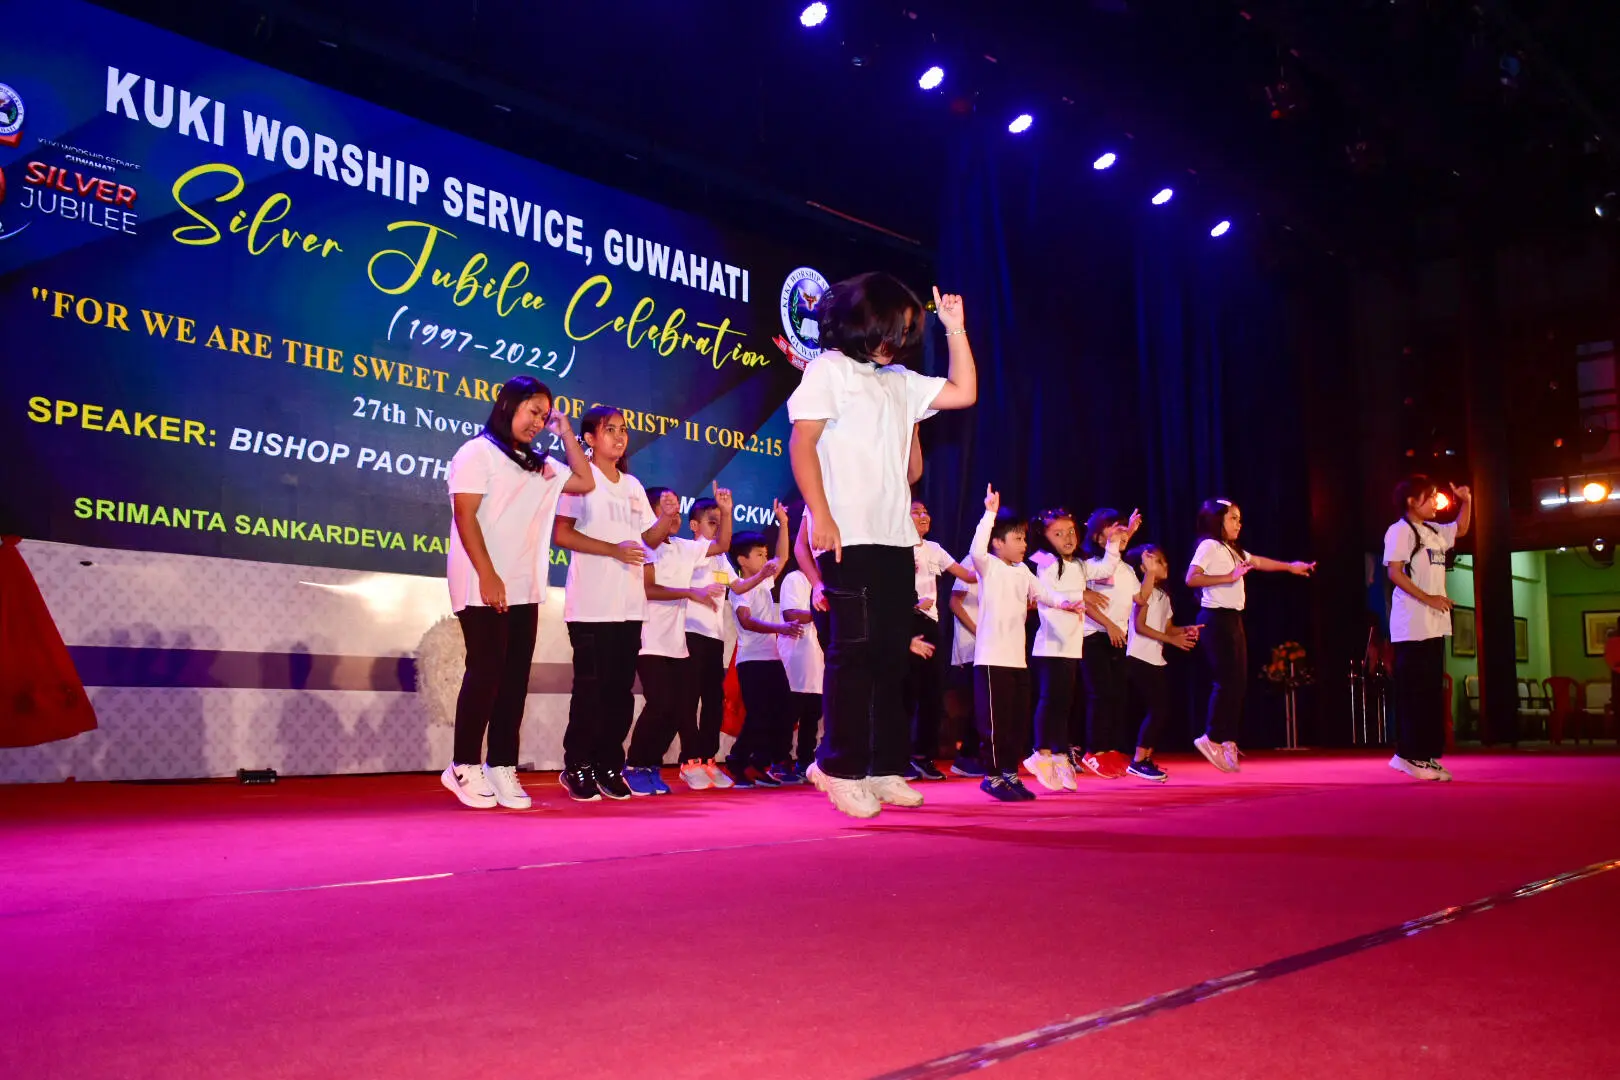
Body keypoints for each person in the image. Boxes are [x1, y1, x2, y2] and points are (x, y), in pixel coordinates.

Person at [788, 274, 977, 818]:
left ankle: (883, 765)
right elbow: (802, 444)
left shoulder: (900, 381)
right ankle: (838, 766)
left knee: (892, 656)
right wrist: (821, 515)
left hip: (896, 539)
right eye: (891, 327)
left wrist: (955, 329)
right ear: (862, 321)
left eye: (906, 331)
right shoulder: (830, 369)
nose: (897, 340)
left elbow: (964, 393)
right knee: (855, 654)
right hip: (848, 536)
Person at [441, 376, 594, 810]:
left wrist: (566, 432)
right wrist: (488, 575)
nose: (538, 422)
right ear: (508, 405)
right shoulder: (477, 452)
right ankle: (463, 765)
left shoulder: (539, 464)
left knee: (513, 680)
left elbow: (585, 481)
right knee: (486, 672)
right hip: (481, 581)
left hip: (525, 586)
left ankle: (501, 764)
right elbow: (465, 516)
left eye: (544, 416)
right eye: (533, 411)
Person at [553, 406, 678, 802]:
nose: (620, 437)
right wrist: (612, 550)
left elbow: (647, 541)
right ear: (589, 438)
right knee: (590, 691)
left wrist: (665, 520)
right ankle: (577, 765)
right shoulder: (580, 480)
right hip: (591, 606)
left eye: (623, 430)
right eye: (610, 430)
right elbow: (562, 534)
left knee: (620, 694)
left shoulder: (633, 486)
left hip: (629, 607)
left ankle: (608, 764)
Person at [968, 485, 1088, 801]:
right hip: (992, 660)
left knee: (1015, 722)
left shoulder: (1022, 570)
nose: (1024, 544)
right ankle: (992, 777)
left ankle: (1010, 773)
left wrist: (1066, 604)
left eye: (1024, 538)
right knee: (994, 724)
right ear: (999, 543)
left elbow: (1045, 594)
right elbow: (977, 550)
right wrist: (990, 514)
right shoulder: (988, 566)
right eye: (1017, 539)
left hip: (1017, 661)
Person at [1185, 498, 1315, 773]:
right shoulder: (1209, 546)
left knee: (1239, 682)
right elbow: (1191, 578)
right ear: (1218, 520)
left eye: (1240, 519)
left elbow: (1257, 561)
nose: (1239, 524)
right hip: (1215, 618)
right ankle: (1211, 737)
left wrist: (1290, 566)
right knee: (1226, 680)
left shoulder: (1232, 549)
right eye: (1233, 518)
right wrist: (1229, 577)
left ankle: (1228, 739)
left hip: (1233, 618)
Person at [623, 484, 734, 795]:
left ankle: (651, 765)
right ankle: (634, 765)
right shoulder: (644, 546)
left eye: (676, 509)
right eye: (666, 508)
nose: (674, 515)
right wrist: (690, 592)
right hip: (649, 640)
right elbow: (648, 589)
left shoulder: (685, 547)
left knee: (674, 709)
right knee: (659, 704)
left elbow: (723, 544)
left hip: (677, 644)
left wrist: (726, 513)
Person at [1025, 507, 1121, 791]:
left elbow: (1106, 568)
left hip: (1071, 645)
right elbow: (1046, 594)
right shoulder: (1044, 560)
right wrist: (1082, 594)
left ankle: (1058, 754)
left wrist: (1113, 541)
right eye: (1058, 534)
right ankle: (1040, 752)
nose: (1067, 538)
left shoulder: (1079, 563)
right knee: (1050, 700)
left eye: (1071, 532)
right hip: (1050, 645)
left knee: (1063, 703)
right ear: (1044, 537)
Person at [1384, 476, 1471, 781]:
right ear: (1411, 502)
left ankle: (1425, 754)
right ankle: (1407, 754)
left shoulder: (1432, 531)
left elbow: (1460, 529)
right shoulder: (1400, 530)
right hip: (1412, 626)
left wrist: (1466, 501)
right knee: (1414, 693)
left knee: (1432, 693)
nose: (1436, 502)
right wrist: (1429, 598)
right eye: (1430, 496)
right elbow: (1395, 572)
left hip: (1435, 625)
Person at [726, 508, 799, 787]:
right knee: (758, 715)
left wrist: (784, 523)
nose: (766, 559)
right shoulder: (740, 589)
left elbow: (783, 557)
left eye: (765, 554)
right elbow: (747, 621)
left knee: (783, 712)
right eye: (759, 555)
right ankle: (738, 761)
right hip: (752, 661)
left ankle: (761, 763)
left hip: (772, 659)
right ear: (742, 560)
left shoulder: (765, 581)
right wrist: (780, 628)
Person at [906, 498, 976, 780]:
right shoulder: (895, 548)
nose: (924, 516)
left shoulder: (934, 548)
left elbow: (968, 575)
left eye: (926, 512)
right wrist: (910, 606)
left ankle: (923, 756)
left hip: (931, 624)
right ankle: (898, 758)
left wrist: (992, 559)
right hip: (905, 623)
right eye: (916, 512)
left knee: (933, 695)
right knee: (905, 693)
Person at [1124, 544, 1199, 782]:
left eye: (1164, 560)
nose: (1164, 565)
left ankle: (1145, 758)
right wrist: (1172, 640)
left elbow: (1167, 628)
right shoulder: (1142, 593)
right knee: (1157, 709)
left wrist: (1185, 630)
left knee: (1161, 710)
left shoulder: (1163, 596)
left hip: (1155, 658)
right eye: (1157, 561)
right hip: (1139, 657)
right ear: (1143, 567)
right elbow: (1140, 626)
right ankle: (1138, 760)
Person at [1077, 507, 1142, 779]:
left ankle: (1110, 748)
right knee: (1100, 693)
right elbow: (1083, 600)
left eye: (1123, 529)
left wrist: (1151, 573)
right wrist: (1109, 625)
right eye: (1114, 529)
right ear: (1098, 537)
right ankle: (1094, 750)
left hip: (1118, 637)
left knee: (1117, 695)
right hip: (1094, 635)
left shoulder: (1125, 569)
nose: (1121, 533)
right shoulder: (1090, 565)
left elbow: (1140, 599)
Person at [778, 557, 826, 780]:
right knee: (790, 713)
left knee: (813, 714)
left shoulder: (824, 584)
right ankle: (780, 761)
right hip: (797, 656)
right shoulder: (794, 579)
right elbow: (791, 614)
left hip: (818, 657)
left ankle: (805, 762)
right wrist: (824, 613)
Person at [947, 574, 986, 776]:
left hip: (990, 646)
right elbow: (955, 602)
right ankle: (966, 757)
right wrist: (979, 632)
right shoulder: (971, 564)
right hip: (973, 646)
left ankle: (974, 754)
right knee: (979, 703)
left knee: (984, 703)